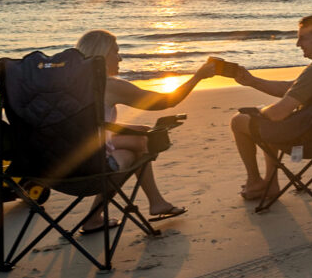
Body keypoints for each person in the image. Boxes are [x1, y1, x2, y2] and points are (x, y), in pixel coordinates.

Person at [74, 29, 217, 232]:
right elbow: (166, 101)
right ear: (103, 55)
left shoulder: (66, 84)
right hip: (89, 168)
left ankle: (151, 203)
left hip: (58, 163)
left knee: (142, 133)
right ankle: (148, 204)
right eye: (116, 52)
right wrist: (198, 77)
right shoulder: (110, 85)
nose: (120, 58)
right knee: (144, 143)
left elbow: (86, 125)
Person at [228, 14, 312, 201]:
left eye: (303, 38)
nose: (298, 44)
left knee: (239, 121)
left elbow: (277, 114)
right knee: (267, 117)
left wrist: (258, 112)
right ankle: (271, 182)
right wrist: (253, 81)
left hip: (310, 138)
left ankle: (255, 182)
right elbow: (292, 88)